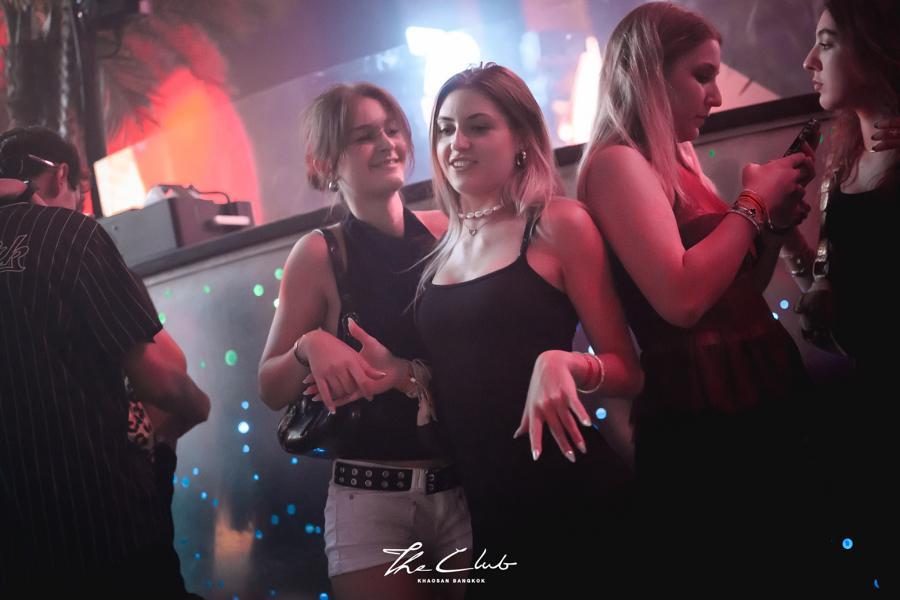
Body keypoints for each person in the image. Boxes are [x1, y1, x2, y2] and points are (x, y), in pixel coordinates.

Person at [577, 2, 819, 593]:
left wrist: (773, 226)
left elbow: (736, 292)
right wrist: (752, 203)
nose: (717, 95)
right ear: (649, 75)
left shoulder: (681, 156)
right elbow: (682, 301)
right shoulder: (616, 162)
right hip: (702, 413)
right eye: (702, 75)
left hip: (757, 381)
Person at [412, 63, 643, 597]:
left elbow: (629, 371)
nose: (457, 143)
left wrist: (566, 362)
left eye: (478, 127)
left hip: (573, 498)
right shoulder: (439, 247)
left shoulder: (557, 224)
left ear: (521, 139)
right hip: (487, 517)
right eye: (445, 129)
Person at [258, 83, 471, 600]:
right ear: (326, 162)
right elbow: (269, 386)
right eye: (363, 136)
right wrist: (309, 345)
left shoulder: (447, 232)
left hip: (465, 485)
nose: (386, 143)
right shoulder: (319, 253)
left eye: (392, 130)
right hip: (370, 502)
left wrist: (405, 374)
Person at [0, 137, 209, 595]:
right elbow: (164, 374)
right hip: (103, 526)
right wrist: (198, 406)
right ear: (61, 176)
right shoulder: (71, 235)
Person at [783, 0, 900, 590]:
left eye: (826, 43)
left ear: (877, 46)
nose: (809, 60)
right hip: (873, 404)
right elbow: (826, 298)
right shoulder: (840, 167)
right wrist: (785, 236)